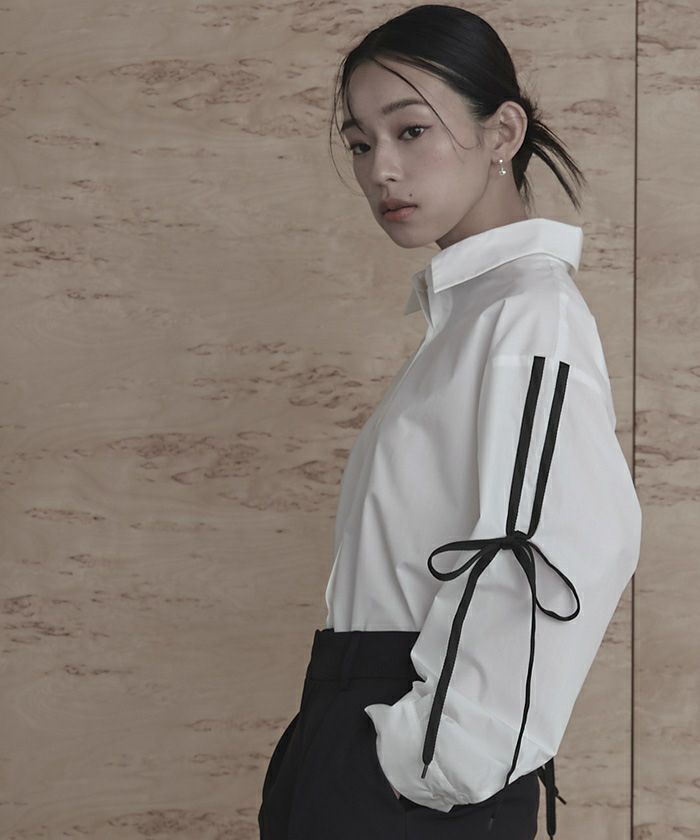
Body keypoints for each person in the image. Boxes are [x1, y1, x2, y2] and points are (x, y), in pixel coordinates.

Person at [257, 5, 642, 840]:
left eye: (411, 131)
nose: (382, 170)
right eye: (361, 144)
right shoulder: (471, 321)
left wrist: (427, 767)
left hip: (415, 776)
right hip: (353, 728)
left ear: (502, 132)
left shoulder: (530, 317)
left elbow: (557, 551)